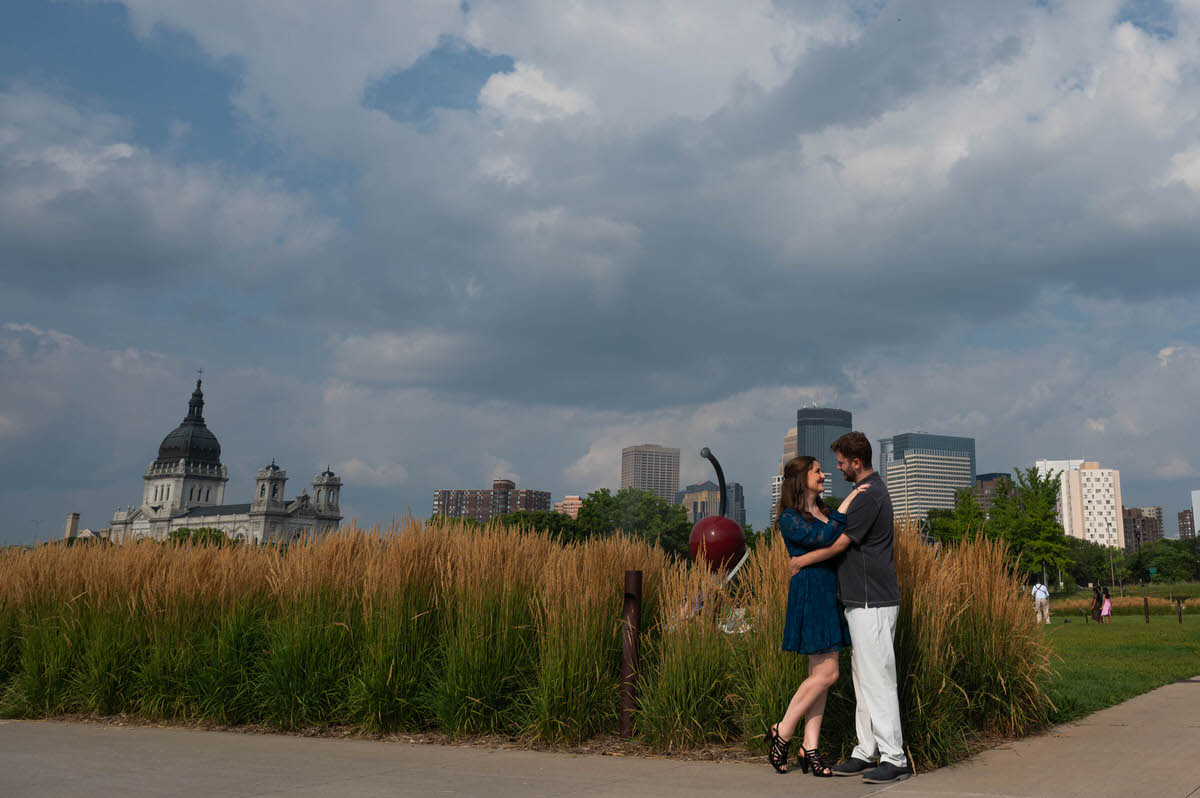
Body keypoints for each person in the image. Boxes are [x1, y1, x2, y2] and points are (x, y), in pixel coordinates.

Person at [787, 432, 912, 785]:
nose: (837, 468)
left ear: (857, 462)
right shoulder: (865, 493)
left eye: (842, 462)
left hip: (873, 600)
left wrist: (802, 560)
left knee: (878, 679)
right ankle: (866, 750)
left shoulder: (868, 496)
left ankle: (894, 757)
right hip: (860, 601)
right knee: (863, 678)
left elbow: (838, 543)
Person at [764, 456, 868, 777]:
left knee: (819, 675)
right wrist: (848, 501)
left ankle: (810, 747)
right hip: (811, 595)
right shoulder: (789, 518)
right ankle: (783, 730)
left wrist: (805, 559)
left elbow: (842, 543)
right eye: (817, 471)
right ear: (801, 479)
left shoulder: (825, 511)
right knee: (828, 674)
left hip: (831, 593)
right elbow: (824, 539)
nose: (823, 475)